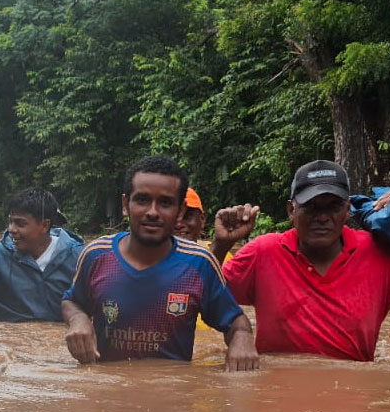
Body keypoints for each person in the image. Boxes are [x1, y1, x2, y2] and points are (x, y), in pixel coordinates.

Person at [211, 159, 390, 361]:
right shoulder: (263, 252)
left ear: (348, 210)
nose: (322, 217)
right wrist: (221, 245)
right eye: (311, 207)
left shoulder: (379, 255)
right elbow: (204, 299)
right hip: (277, 400)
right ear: (291, 210)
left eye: (333, 207)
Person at [62, 156, 259, 371]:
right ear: (125, 205)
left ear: (180, 212)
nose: (153, 212)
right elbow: (72, 302)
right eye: (142, 200)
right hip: (105, 392)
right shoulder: (96, 255)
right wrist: (79, 319)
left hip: (174, 395)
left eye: (165, 203)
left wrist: (243, 339)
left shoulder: (199, 264)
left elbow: (235, 322)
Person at [0, 188, 84, 326]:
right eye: (10, 222)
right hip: (11, 339)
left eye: (20, 224)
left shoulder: (77, 256)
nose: (12, 229)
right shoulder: (0, 255)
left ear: (44, 225)